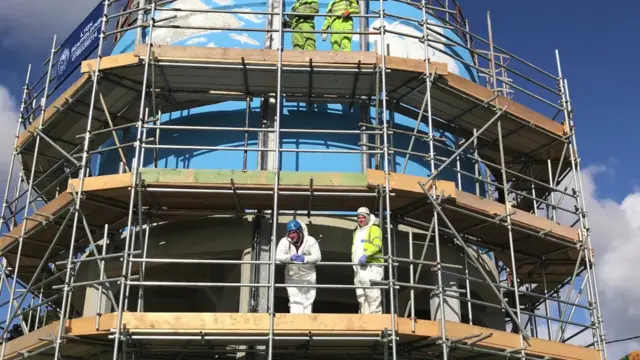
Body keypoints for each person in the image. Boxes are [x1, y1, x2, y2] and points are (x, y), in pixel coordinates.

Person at [276, 219, 322, 313]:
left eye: (294, 233)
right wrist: (290, 258)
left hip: (308, 277)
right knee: (294, 302)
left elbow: (318, 257)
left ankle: (306, 326)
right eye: (290, 233)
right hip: (292, 276)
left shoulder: (310, 241)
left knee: (308, 303)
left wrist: (305, 259)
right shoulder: (285, 241)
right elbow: (278, 256)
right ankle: (295, 325)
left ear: (300, 232)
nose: (292, 236)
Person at [352, 207, 384, 314]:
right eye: (359, 218)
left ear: (368, 218)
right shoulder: (356, 231)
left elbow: (377, 245)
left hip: (371, 267)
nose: (360, 220)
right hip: (359, 268)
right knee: (361, 297)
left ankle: (376, 321)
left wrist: (366, 254)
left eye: (363, 217)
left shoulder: (374, 229)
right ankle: (365, 319)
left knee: (373, 295)